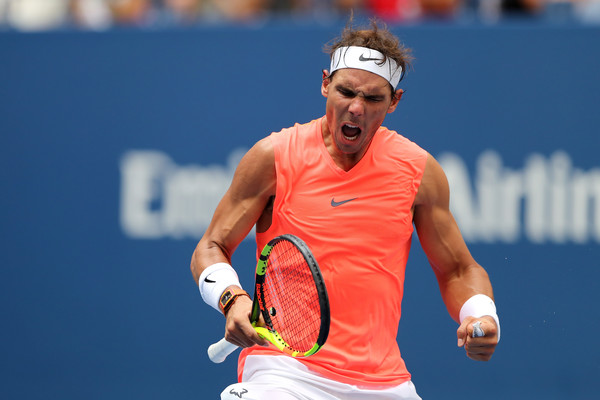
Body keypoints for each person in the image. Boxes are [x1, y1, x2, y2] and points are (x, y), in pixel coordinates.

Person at [191, 17, 500, 400]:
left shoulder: (419, 171)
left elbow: (457, 268)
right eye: (345, 91)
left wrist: (481, 314)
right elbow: (211, 246)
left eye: (372, 99)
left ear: (394, 101)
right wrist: (231, 298)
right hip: (284, 373)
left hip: (385, 383)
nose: (355, 108)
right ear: (325, 83)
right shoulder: (273, 156)